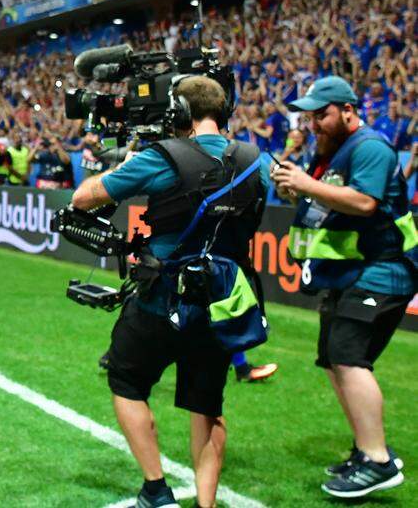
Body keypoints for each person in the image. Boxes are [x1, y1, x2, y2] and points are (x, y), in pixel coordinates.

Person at [71, 75, 271, 508]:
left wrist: (125, 161)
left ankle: (157, 490)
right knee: (207, 408)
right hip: (222, 306)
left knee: (126, 378)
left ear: (178, 113)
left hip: (162, 298)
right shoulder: (258, 160)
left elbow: (85, 196)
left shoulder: (162, 157)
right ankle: (205, 504)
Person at [271, 76, 414, 498]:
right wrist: (298, 193)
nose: (314, 123)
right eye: (311, 116)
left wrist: (306, 185)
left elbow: (366, 202)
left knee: (349, 357)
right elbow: (329, 205)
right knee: (337, 359)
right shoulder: (331, 153)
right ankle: (366, 449)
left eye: (323, 114)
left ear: (348, 110)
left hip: (384, 269)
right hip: (351, 273)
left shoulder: (369, 147)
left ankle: (378, 461)